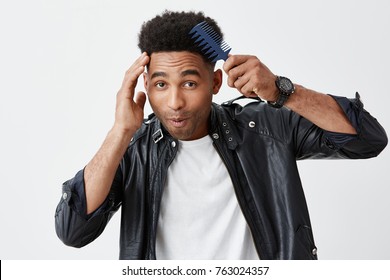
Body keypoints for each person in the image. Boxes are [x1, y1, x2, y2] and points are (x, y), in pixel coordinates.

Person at [55, 10, 387, 260]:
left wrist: (282, 92)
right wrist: (120, 132)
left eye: (189, 83)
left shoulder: (266, 128)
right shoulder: (132, 149)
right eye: (160, 84)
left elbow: (367, 139)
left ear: (215, 83)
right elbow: (73, 231)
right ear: (146, 86)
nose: (174, 102)